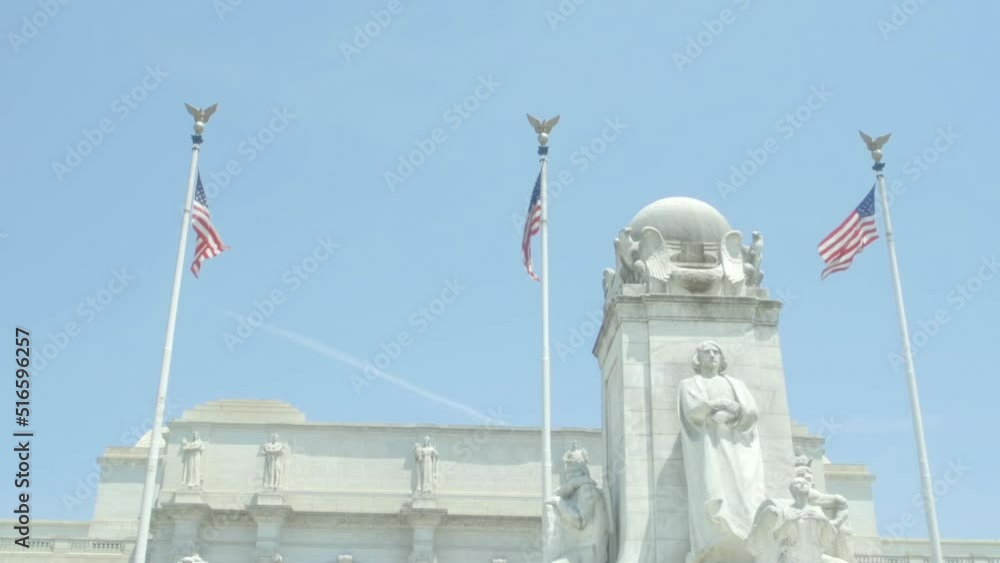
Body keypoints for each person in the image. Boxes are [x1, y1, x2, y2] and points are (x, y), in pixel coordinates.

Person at [679, 341, 767, 563]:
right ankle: (717, 533)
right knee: (714, 485)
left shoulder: (735, 383)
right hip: (709, 446)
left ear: (721, 357)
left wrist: (731, 414)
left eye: (715, 352)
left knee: (741, 488)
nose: (711, 355)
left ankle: (746, 531)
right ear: (697, 359)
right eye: (706, 352)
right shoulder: (690, 384)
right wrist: (718, 403)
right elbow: (692, 410)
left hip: (736, 444)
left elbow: (751, 411)